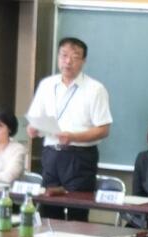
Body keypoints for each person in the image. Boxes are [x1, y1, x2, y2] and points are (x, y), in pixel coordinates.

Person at [26, 36, 112, 222]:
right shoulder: (47, 85)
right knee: (48, 212)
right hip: (51, 154)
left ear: (83, 61)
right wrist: (33, 129)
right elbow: (35, 119)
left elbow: (104, 129)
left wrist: (74, 137)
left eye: (75, 57)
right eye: (64, 55)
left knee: (77, 214)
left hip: (79, 157)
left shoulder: (95, 89)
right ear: (58, 57)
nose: (68, 61)